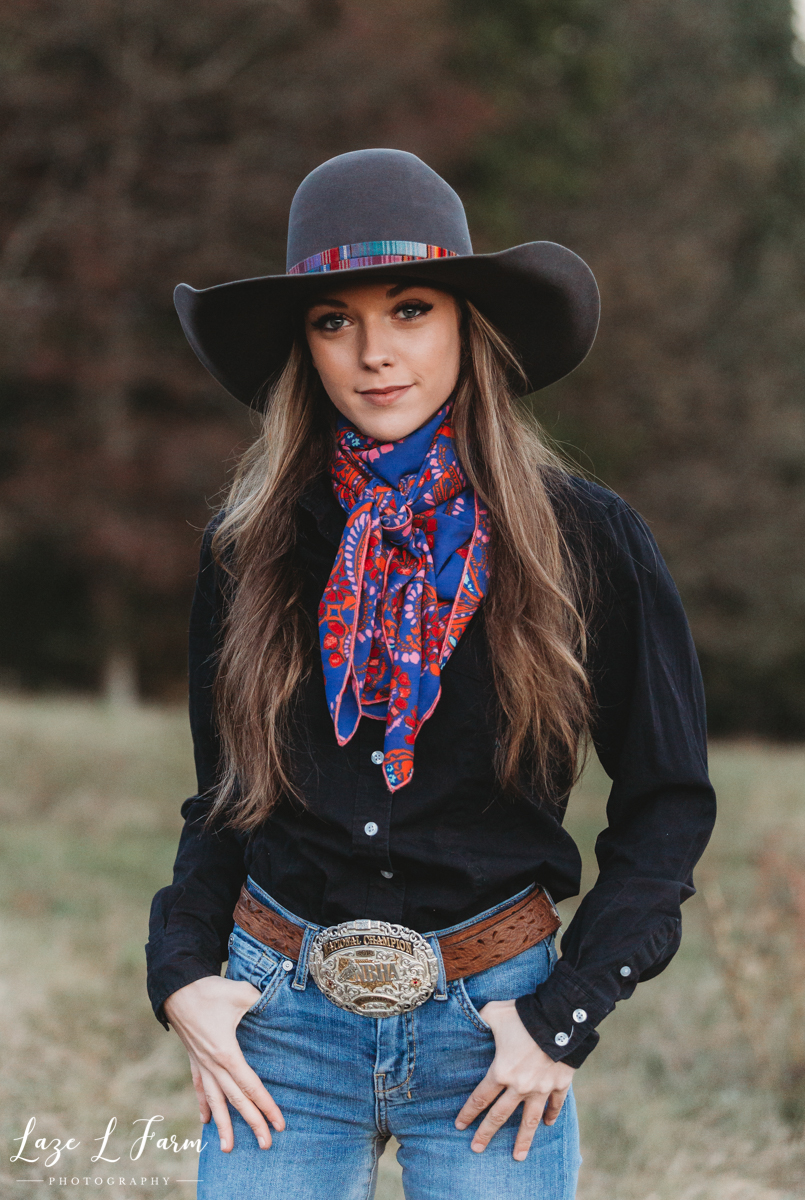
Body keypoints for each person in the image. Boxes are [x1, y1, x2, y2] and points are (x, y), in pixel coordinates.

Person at [145, 148, 716, 1200]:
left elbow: (667, 804)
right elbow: (225, 799)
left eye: (409, 309)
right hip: (282, 1028)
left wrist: (563, 1018)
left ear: (466, 326)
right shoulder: (250, 546)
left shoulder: (585, 541)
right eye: (333, 320)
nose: (373, 353)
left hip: (491, 1031)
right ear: (301, 350)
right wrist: (182, 971)